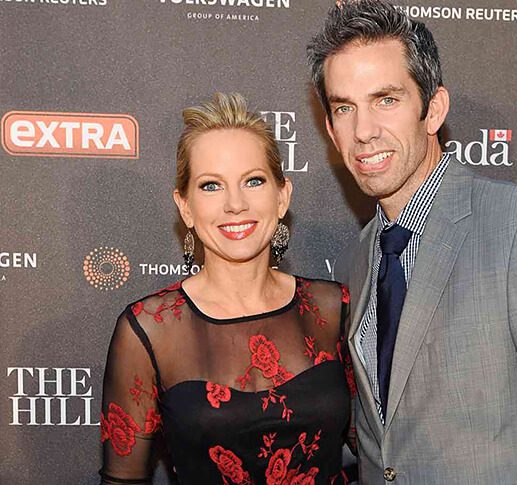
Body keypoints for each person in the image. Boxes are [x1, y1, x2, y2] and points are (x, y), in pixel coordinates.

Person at [307, 1, 517, 483]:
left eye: (386, 100)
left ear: (433, 109)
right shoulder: (359, 257)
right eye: (344, 108)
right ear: (330, 130)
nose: (364, 131)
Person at [99, 93, 355, 485]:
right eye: (211, 186)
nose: (235, 204)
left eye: (253, 181)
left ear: (282, 196)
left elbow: (379, 453)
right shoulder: (149, 330)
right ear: (185, 207)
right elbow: (123, 481)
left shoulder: (333, 308)